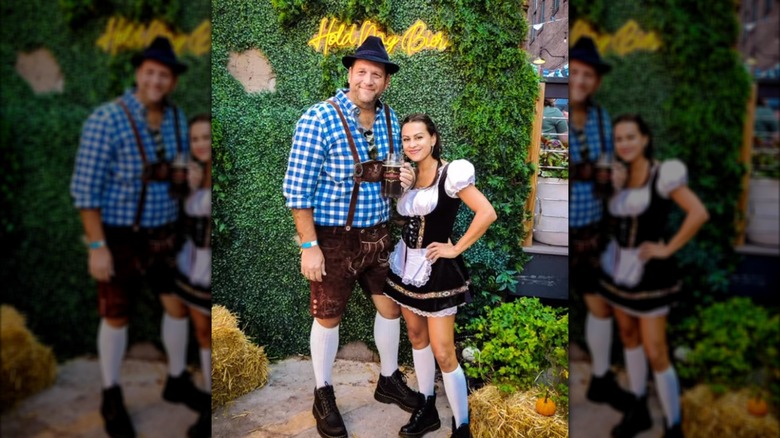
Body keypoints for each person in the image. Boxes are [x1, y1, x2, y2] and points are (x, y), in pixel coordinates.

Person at [282, 36, 423, 438]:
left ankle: (388, 379)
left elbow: (398, 176)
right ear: (350, 74)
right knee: (328, 316)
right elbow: (297, 189)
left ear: (385, 82)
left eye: (376, 74)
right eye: (361, 71)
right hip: (333, 240)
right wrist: (309, 246)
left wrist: (408, 180)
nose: (368, 79)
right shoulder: (318, 118)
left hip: (379, 237)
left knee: (391, 309)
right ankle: (323, 392)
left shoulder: (392, 121)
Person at [70, 37, 207, 438]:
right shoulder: (106, 120)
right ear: (138, 74)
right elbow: (85, 191)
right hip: (121, 237)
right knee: (116, 313)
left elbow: (182, 172)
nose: (156, 80)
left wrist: (191, 181)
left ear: (172, 81)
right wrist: (97, 246)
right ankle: (110, 394)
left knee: (177, 307)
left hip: (166, 236)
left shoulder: (177, 120)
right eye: (150, 72)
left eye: (163, 74)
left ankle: (177, 379)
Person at [383, 113, 496, 438]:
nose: (412, 144)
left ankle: (462, 426)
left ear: (433, 138)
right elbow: (410, 217)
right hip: (405, 267)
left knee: (444, 351)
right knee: (417, 339)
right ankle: (427, 406)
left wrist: (455, 248)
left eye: (418, 137)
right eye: (406, 139)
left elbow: (487, 212)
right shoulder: (409, 176)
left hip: (436, 271)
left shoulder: (451, 173)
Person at [600, 114, 708, 438]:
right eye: (619, 139)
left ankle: (674, 425)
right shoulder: (618, 176)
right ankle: (640, 409)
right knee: (629, 339)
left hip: (650, 273)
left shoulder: (664, 174)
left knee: (656, 349)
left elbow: (698, 212)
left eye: (631, 137)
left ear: (645, 139)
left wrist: (667, 249)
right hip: (618, 268)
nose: (625, 144)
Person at [568, 36, 634, 412]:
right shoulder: (555, 110)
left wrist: (619, 175)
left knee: (600, 307)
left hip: (592, 230)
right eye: (574, 72)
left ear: (595, 81)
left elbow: (612, 165)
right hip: (563, 234)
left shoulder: (601, 119)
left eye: (587, 75)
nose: (579, 80)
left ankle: (601, 380)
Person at [168, 114, 213, 438]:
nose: (200, 144)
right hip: (190, 260)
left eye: (206, 137)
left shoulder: (216, 174)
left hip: (207, 262)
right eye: (195, 139)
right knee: (199, 330)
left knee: (205, 331)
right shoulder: (191, 174)